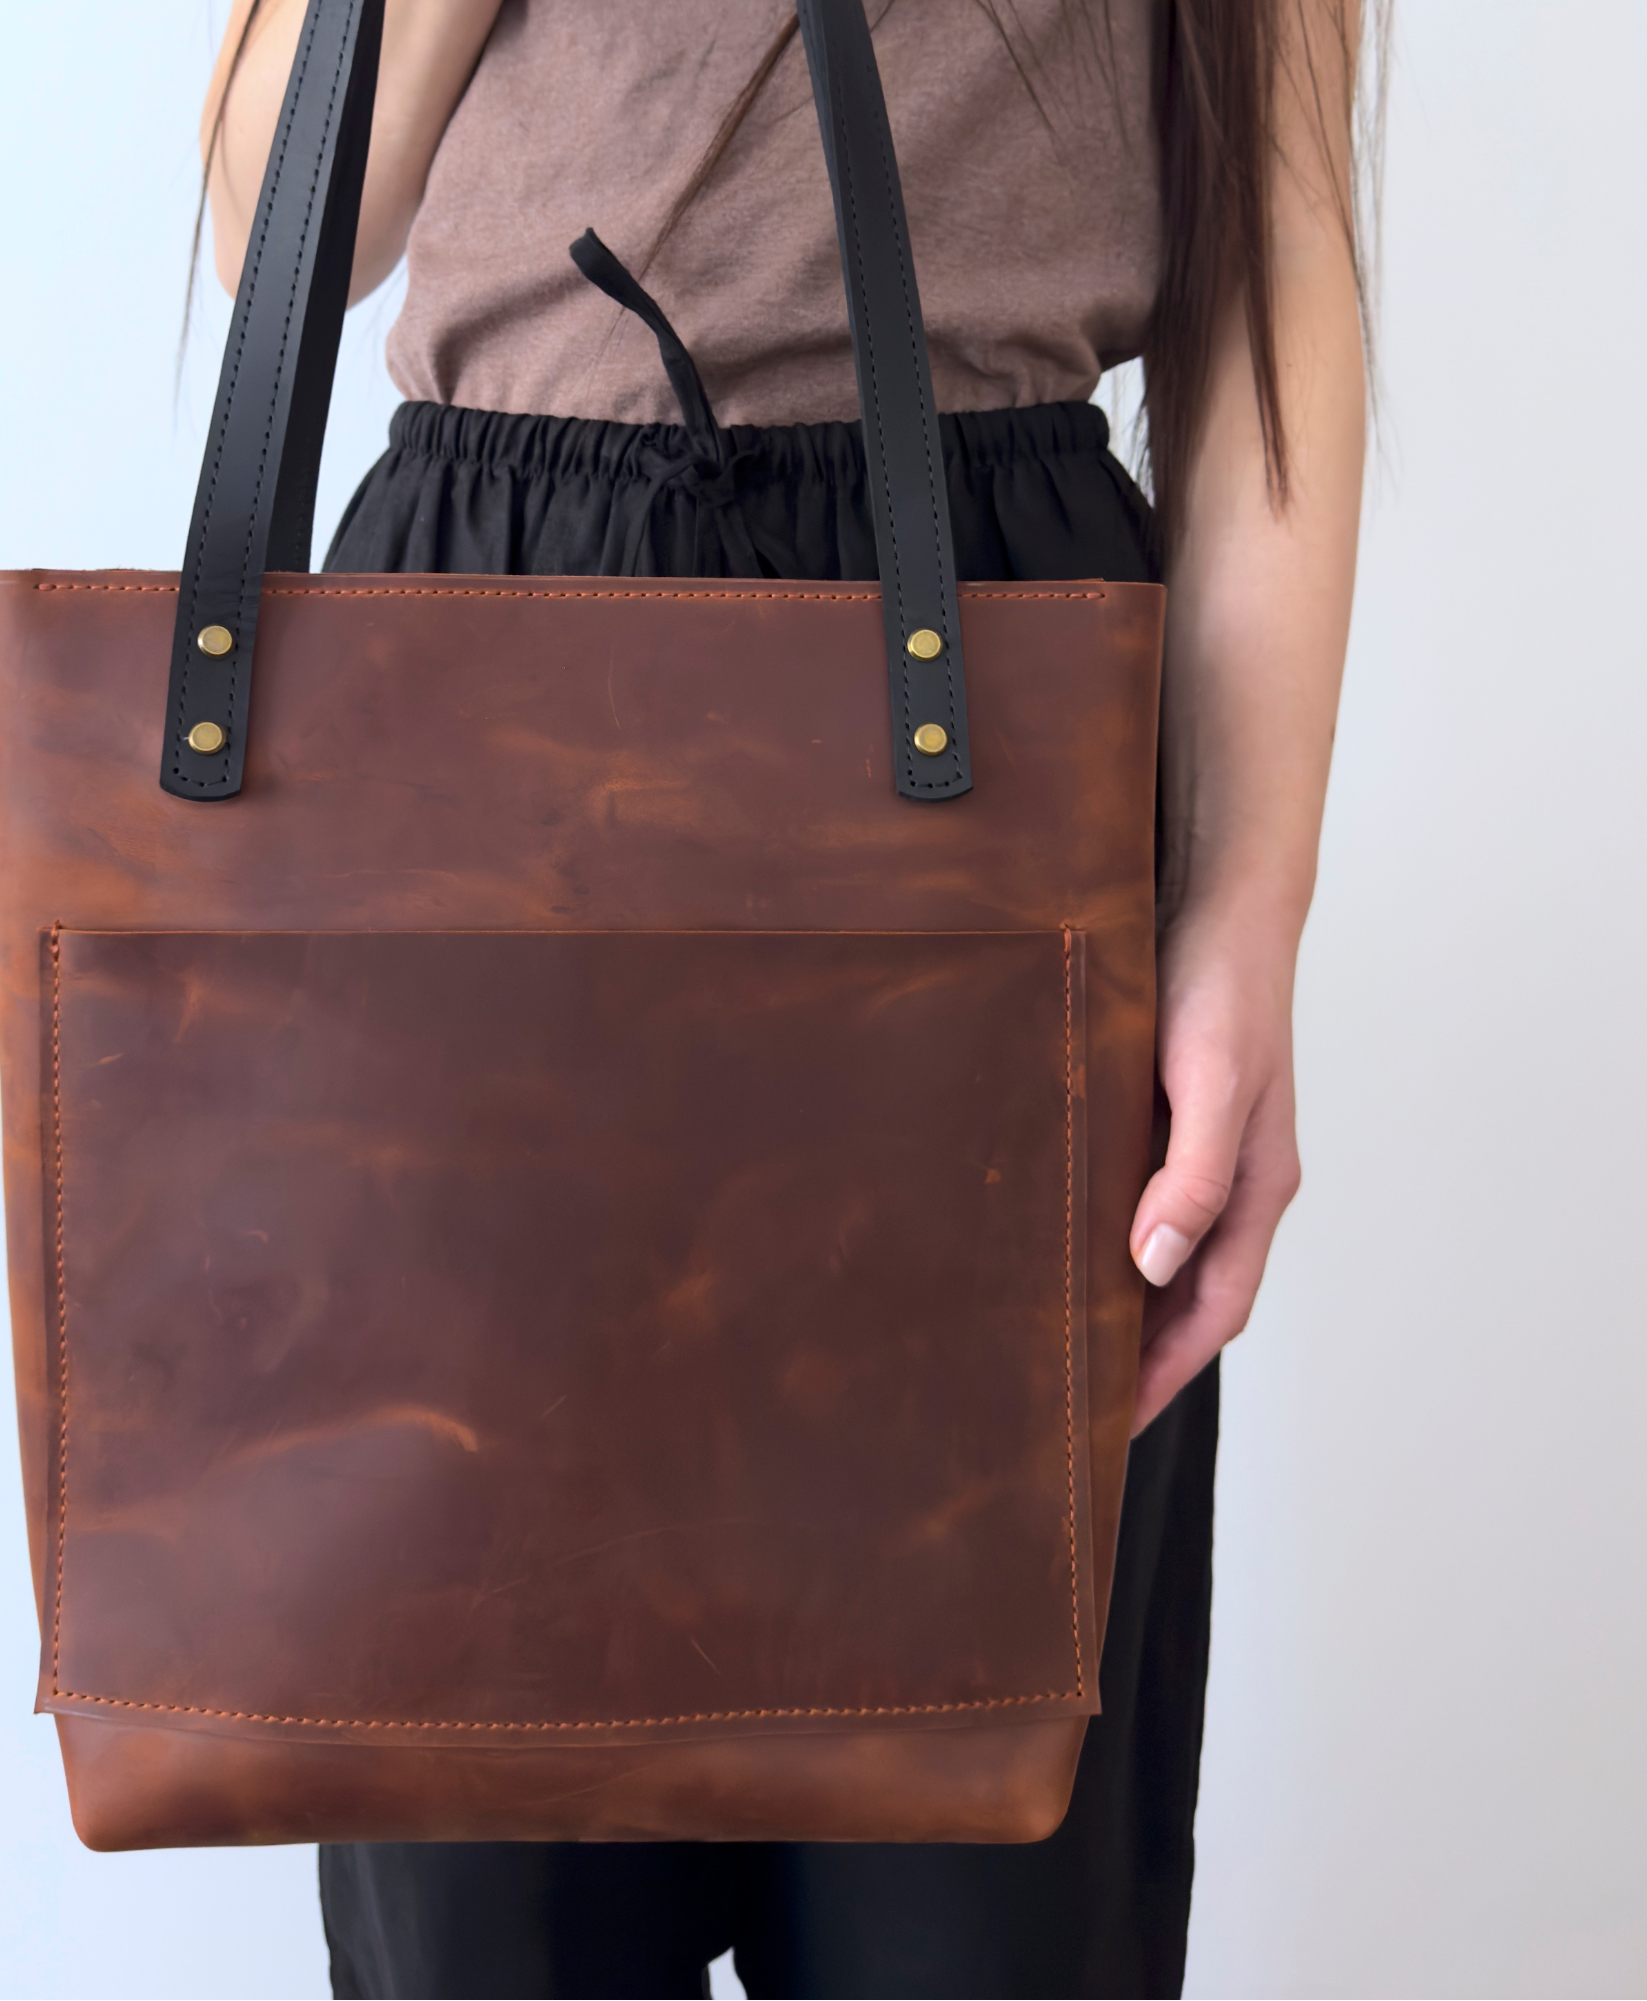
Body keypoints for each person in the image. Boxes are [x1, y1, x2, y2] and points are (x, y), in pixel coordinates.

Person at [200, 3, 1372, 1993]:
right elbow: (281, 217)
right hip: (486, 696)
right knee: (492, 1911)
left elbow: (1277, 270)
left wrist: (1247, 917)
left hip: (996, 694)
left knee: (984, 1910)